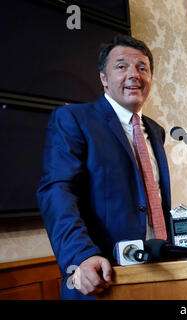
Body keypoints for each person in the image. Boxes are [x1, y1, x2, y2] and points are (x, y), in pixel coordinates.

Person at [36, 35, 171, 299]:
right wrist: (81, 256)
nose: (134, 75)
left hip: (159, 273)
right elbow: (56, 192)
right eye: (121, 67)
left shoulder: (156, 131)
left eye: (142, 68)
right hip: (102, 278)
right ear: (104, 79)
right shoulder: (73, 119)